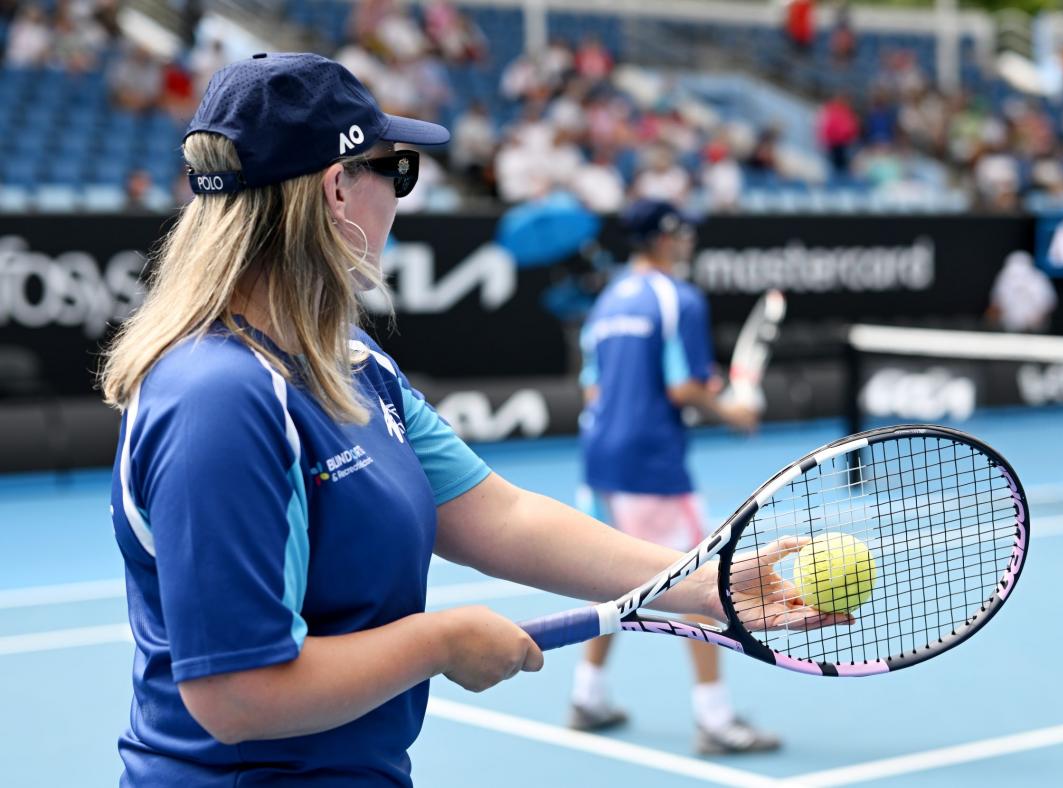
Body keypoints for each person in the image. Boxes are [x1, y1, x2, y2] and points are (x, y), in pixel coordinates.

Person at [99, 53, 831, 786]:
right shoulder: (218, 400)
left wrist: (704, 581)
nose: (401, 195)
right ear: (336, 188)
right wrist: (441, 641)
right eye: (397, 170)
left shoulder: (349, 361)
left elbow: (499, 515)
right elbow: (236, 694)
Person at [570, 199, 779, 755]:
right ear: (663, 238)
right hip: (651, 461)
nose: (689, 241)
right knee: (699, 581)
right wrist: (733, 413)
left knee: (613, 578)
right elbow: (682, 386)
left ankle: (587, 695)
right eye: (683, 232)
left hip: (599, 457)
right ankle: (715, 719)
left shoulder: (608, 299)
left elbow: (595, 387)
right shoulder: (677, 297)